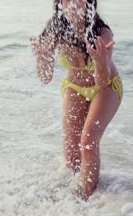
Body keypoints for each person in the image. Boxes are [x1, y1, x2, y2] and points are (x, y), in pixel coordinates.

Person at [29, 0, 123, 200]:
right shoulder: (55, 28)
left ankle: (87, 199)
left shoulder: (102, 33)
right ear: (60, 3)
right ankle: (68, 197)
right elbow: (45, 78)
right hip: (74, 88)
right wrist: (42, 57)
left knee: (88, 140)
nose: (73, 3)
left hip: (105, 88)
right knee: (71, 157)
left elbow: (102, 79)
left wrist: (99, 60)